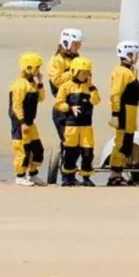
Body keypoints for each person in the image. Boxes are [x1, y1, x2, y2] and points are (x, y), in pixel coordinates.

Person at [54, 56, 100, 186]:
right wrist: (69, 108)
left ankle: (86, 177)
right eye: (83, 72)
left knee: (87, 152)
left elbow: (96, 101)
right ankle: (67, 176)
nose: (85, 75)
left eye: (87, 73)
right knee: (70, 151)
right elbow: (58, 103)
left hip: (86, 125)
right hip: (71, 125)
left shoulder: (90, 88)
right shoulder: (66, 87)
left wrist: (91, 87)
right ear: (75, 72)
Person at [46, 28, 83, 183]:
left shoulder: (77, 58)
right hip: (63, 107)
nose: (78, 47)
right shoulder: (56, 61)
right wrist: (75, 72)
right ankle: (67, 175)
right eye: (75, 44)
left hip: (78, 105)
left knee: (79, 144)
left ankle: (70, 172)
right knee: (69, 142)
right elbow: (56, 80)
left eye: (79, 44)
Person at [8, 52, 47, 186]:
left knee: (37, 150)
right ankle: (20, 175)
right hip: (21, 123)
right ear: (28, 68)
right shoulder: (19, 85)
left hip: (31, 123)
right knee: (23, 151)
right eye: (37, 68)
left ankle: (33, 174)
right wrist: (22, 122)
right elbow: (16, 106)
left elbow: (41, 98)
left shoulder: (33, 85)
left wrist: (40, 83)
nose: (38, 71)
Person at [107, 41, 139, 186]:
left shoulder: (130, 71)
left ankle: (119, 170)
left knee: (127, 142)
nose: (137, 57)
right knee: (121, 142)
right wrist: (115, 114)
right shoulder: (121, 72)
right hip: (124, 111)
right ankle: (115, 173)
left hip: (131, 112)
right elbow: (116, 94)